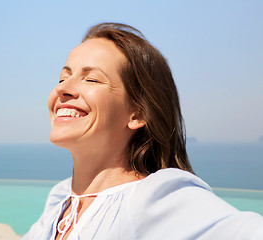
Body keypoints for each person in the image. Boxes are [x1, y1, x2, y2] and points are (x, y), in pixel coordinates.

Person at [21, 22, 263, 239]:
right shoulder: (61, 199)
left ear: (138, 113)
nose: (63, 89)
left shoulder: (153, 197)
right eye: (63, 77)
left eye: (92, 79)